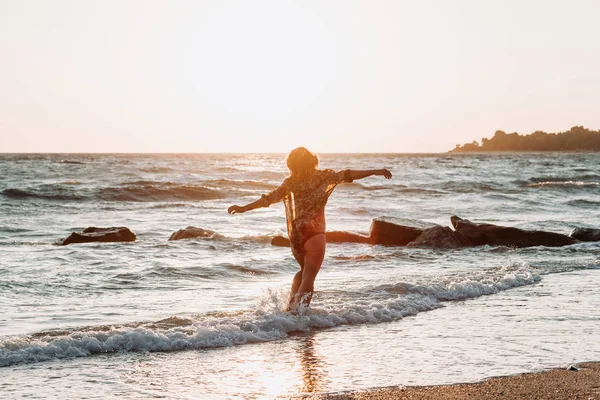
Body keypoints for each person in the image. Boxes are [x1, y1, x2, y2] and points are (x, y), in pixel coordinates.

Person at [228, 147, 392, 310]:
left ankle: (290, 310)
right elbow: (348, 174)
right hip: (314, 234)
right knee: (308, 278)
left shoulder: (289, 183)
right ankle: (299, 317)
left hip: (296, 236)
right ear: (312, 161)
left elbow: (267, 200)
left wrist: (243, 208)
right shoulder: (323, 176)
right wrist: (375, 171)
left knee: (303, 272)